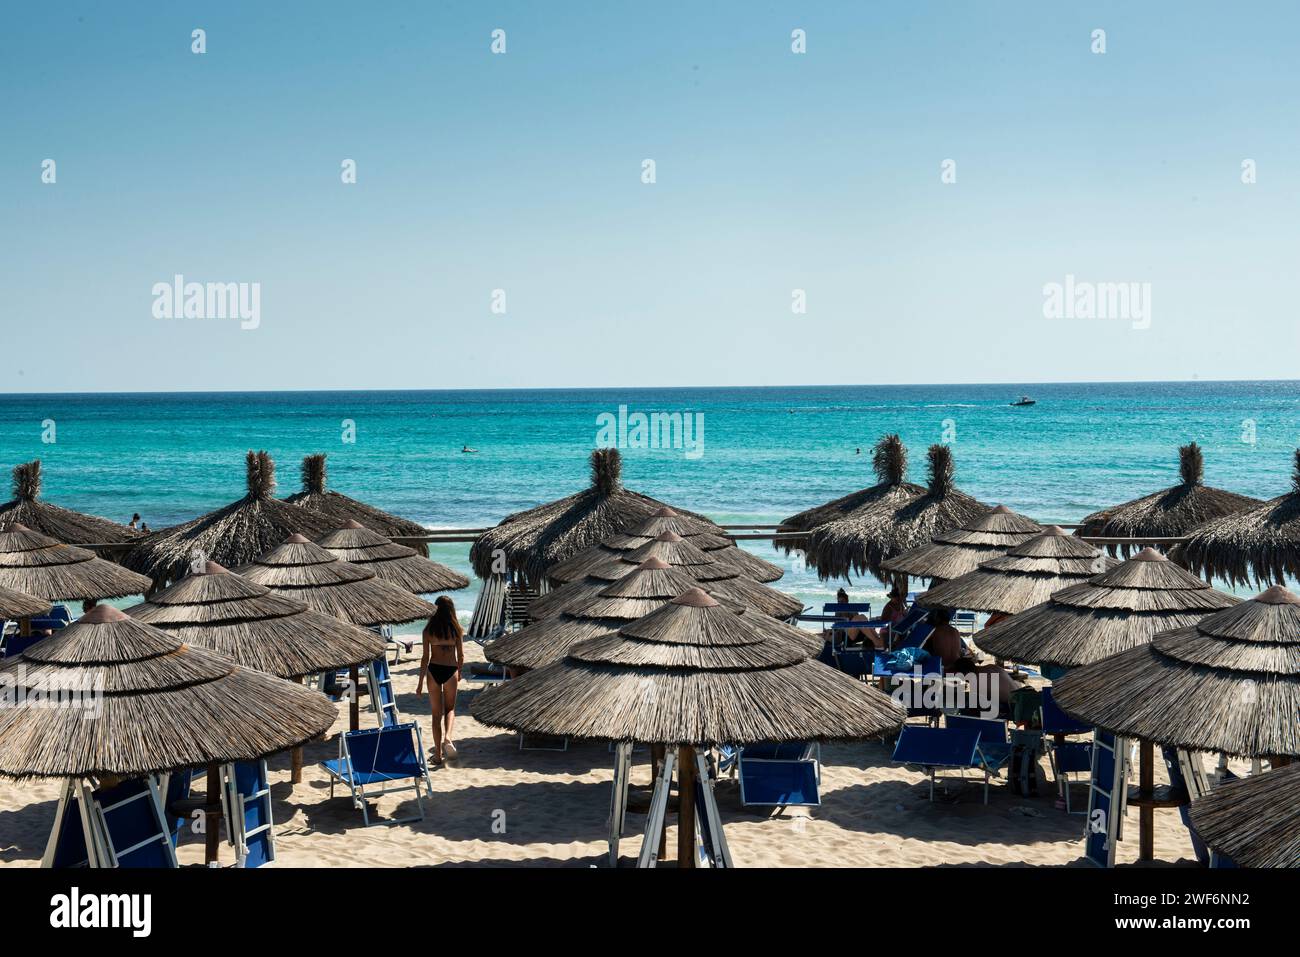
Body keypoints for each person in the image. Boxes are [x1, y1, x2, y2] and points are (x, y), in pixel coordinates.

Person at [419, 596, 464, 764]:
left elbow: (425, 658)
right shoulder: (456, 630)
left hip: (434, 671)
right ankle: (448, 737)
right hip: (451, 670)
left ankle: (437, 756)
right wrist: (459, 672)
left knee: (436, 715)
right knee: (450, 708)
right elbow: (461, 656)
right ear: (451, 610)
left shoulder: (428, 631)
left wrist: (419, 683)